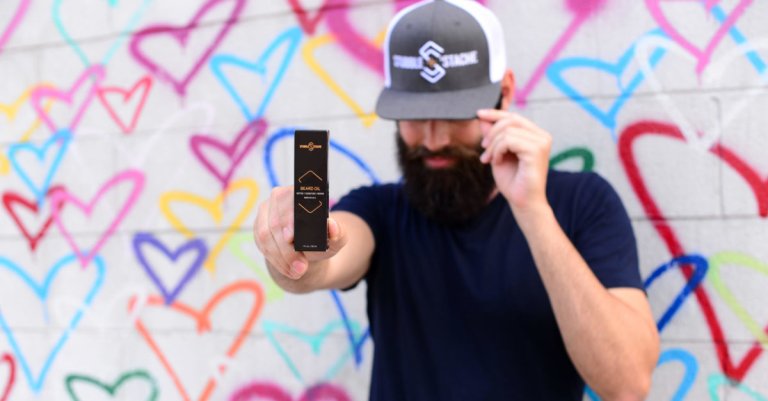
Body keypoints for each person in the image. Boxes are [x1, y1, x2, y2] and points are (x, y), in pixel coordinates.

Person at [254, 0, 660, 400]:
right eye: (415, 117)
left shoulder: (583, 204)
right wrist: (294, 248)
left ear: (504, 93)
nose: (434, 139)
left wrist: (533, 211)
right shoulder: (379, 211)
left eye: (455, 114)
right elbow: (323, 263)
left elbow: (626, 385)